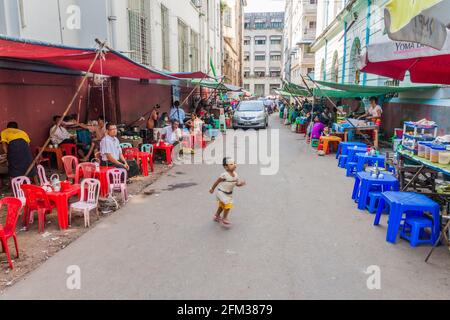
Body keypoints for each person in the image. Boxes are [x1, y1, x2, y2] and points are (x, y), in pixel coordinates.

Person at [209, 157, 246, 227]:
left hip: (229, 194)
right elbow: (216, 182)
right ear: (226, 167)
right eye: (231, 164)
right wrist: (212, 189)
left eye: (234, 163)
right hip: (221, 192)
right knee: (228, 204)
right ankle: (224, 218)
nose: (234, 165)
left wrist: (241, 184)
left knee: (222, 206)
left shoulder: (236, 175)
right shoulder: (224, 175)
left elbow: (237, 184)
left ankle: (216, 216)